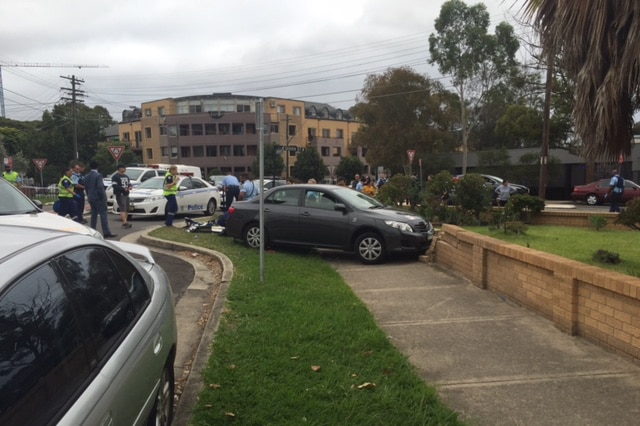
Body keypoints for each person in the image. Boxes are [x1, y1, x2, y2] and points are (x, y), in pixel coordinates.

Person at [84, 160, 117, 238]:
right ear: (97, 167)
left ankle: (92, 231)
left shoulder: (87, 176)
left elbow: (86, 187)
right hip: (99, 198)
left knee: (94, 215)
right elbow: (100, 187)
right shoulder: (98, 176)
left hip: (91, 197)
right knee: (103, 215)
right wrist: (103, 197)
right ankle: (106, 232)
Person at [112, 164, 133, 228]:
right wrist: (123, 189)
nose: (125, 169)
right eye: (123, 168)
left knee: (126, 208)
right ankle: (124, 222)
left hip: (126, 194)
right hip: (120, 194)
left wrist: (130, 187)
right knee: (122, 208)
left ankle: (125, 221)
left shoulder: (126, 176)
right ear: (119, 168)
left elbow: (129, 183)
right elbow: (115, 186)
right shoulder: (115, 177)